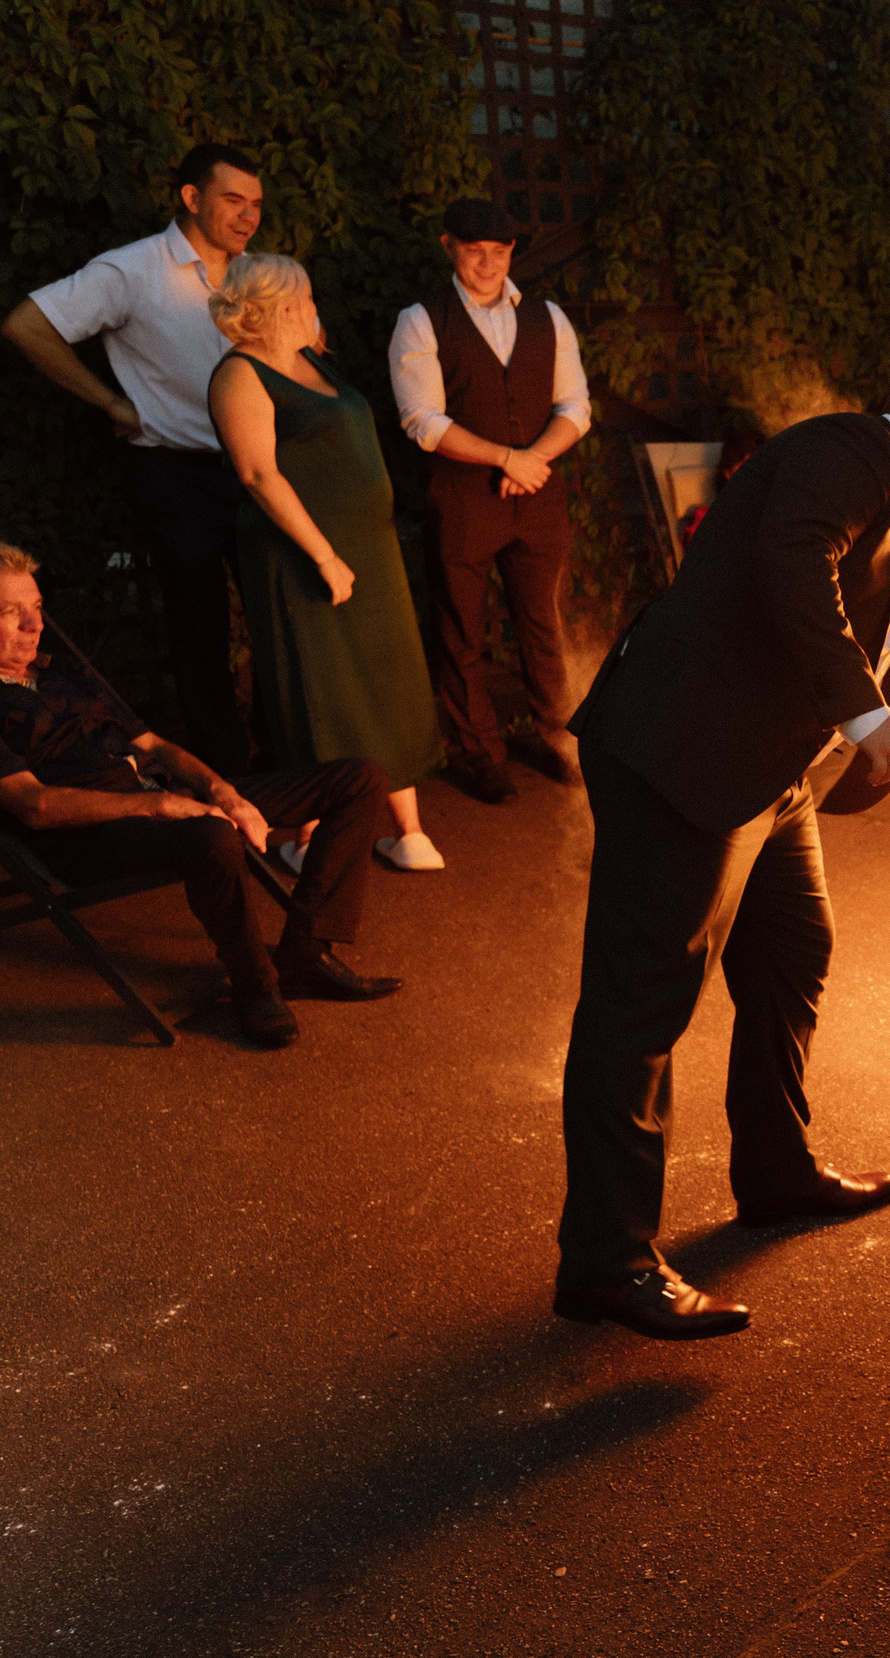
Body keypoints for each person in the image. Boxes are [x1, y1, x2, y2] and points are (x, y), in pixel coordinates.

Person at [555, 341, 890, 1341]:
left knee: (791, 952)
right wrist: (862, 716)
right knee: (640, 1009)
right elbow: (790, 561)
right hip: (682, 762)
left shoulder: (889, 499)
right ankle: (607, 1262)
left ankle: (773, 1172)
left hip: (765, 776)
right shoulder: (848, 451)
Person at [0, 544, 398, 1049]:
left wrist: (222, 791)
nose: (35, 625)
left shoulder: (60, 671)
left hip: (164, 796)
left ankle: (305, 955)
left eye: (36, 607)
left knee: (359, 778)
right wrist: (161, 806)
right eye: (13, 614)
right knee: (209, 835)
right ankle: (255, 986)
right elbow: (34, 806)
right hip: (88, 835)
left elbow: (157, 746)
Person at [2, 143, 265, 775]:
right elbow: (25, 325)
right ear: (191, 198)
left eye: (256, 204)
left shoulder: (257, 272)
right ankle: (224, 779)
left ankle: (289, 766)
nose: (247, 216)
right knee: (199, 631)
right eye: (233, 200)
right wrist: (111, 403)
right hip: (177, 473)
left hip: (259, 472)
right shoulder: (133, 271)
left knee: (280, 620)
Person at [208, 254, 445, 873]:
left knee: (386, 676)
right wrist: (324, 555)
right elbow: (259, 474)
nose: (317, 309)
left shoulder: (309, 360)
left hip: (368, 548)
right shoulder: (239, 375)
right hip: (303, 555)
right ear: (286, 306)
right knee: (318, 690)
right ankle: (311, 838)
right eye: (308, 298)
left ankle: (408, 830)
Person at [387, 197, 594, 804]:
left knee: (544, 624)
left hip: (537, 499)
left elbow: (575, 407)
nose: (488, 264)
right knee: (461, 632)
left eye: (499, 253)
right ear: (449, 246)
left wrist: (532, 460)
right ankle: (481, 753)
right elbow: (422, 420)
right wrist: (506, 458)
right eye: (475, 251)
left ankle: (557, 738)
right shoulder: (421, 321)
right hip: (462, 502)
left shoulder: (548, 318)